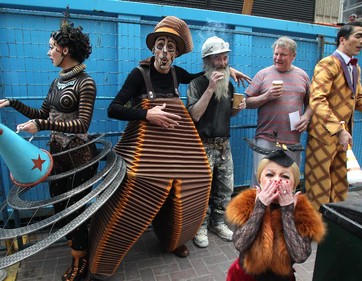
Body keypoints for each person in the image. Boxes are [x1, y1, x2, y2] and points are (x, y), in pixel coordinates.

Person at [86, 16, 250, 281]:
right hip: (147, 152)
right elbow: (113, 108)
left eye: (170, 47)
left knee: (189, 188)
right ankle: (106, 255)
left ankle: (176, 238)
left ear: (175, 53)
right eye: (160, 45)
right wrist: (147, 115)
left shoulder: (177, 74)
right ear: (153, 49)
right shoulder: (139, 75)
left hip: (177, 149)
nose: (164, 52)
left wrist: (229, 70)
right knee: (133, 194)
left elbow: (205, 73)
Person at [0, 12, 97, 281]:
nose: (48, 52)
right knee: (60, 209)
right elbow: (42, 112)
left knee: (76, 209)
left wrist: (42, 125)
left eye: (51, 47)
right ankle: (75, 252)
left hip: (79, 157)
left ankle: (82, 263)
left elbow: (82, 124)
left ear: (65, 49)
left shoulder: (86, 82)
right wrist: (13, 103)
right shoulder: (57, 81)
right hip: (56, 156)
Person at [304, 21, 362, 211]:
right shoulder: (328, 63)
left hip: (344, 138)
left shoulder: (355, 68)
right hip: (324, 136)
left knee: (339, 185)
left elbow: (358, 99)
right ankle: (313, 233)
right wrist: (337, 130)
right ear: (342, 40)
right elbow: (317, 99)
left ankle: (334, 229)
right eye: (358, 36)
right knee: (318, 187)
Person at [225, 148, 326, 281]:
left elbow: (300, 256)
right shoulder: (247, 202)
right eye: (270, 175)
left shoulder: (303, 211)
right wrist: (259, 207)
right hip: (245, 276)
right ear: (259, 180)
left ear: (294, 184)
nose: (276, 181)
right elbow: (240, 244)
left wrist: (287, 211)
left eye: (285, 176)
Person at [186, 36, 246, 248]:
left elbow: (225, 114)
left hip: (224, 145)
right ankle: (199, 227)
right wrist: (210, 88)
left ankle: (218, 223)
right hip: (203, 145)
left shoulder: (228, 84)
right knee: (202, 189)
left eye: (226, 57)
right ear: (207, 61)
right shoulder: (197, 84)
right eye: (219, 58)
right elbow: (195, 115)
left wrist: (237, 110)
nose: (224, 62)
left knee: (225, 188)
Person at [245, 36, 312, 185]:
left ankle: (284, 208)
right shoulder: (263, 74)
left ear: (293, 56)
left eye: (283, 55)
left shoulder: (303, 76)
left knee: (288, 180)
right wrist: (266, 96)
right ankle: (259, 207)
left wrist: (307, 117)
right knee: (262, 178)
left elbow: (311, 103)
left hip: (292, 140)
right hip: (266, 138)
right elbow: (247, 102)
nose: (278, 58)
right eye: (276, 54)